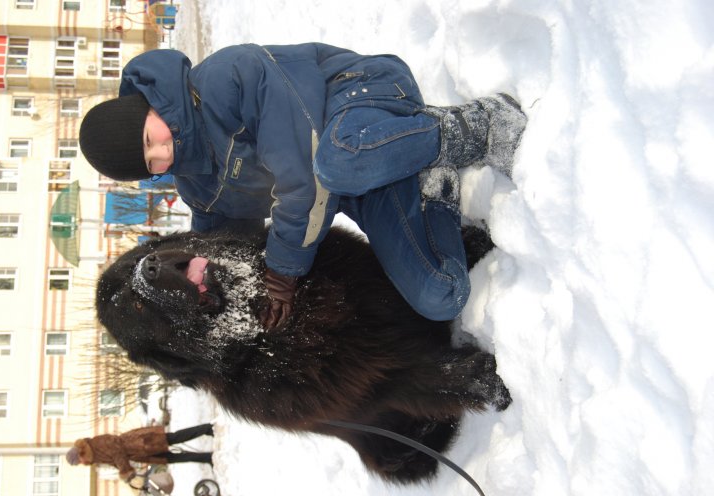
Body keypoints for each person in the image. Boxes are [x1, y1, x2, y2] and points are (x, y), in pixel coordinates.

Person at [79, 43, 527, 331]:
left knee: (335, 160)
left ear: (144, 108)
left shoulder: (226, 79)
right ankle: (431, 177)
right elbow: (220, 248)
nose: (162, 154)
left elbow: (305, 178)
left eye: (147, 140)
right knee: (441, 294)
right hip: (359, 187)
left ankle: (476, 128)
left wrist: (283, 272)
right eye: (150, 165)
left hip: (363, 102)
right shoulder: (199, 188)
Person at [65, 424, 214, 481]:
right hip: (140, 452)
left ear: (80, 454)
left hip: (139, 443)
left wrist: (124, 470)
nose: (81, 463)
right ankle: (207, 457)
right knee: (172, 458)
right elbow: (116, 460)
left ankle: (207, 429)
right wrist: (125, 472)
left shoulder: (95, 444)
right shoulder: (95, 456)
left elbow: (117, 450)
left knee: (173, 438)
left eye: (78, 461)